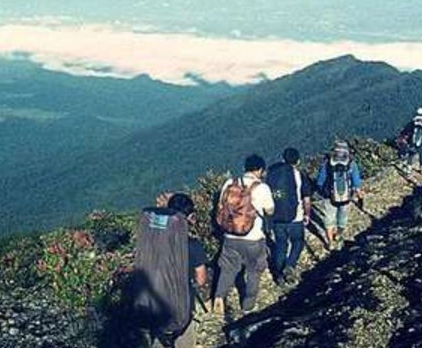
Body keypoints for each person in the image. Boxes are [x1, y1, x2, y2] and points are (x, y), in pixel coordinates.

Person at [132, 193, 208, 348]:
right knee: (184, 340)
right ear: (189, 218)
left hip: (152, 304)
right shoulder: (193, 246)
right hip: (180, 307)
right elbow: (201, 280)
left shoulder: (151, 242)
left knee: (158, 340)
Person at [213, 154, 275, 315]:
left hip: (230, 235)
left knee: (228, 269)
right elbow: (270, 210)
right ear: (260, 170)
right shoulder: (261, 188)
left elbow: (221, 206)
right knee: (254, 271)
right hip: (253, 238)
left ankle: (219, 296)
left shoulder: (229, 183)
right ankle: (248, 305)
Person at [266, 147, 313, 285]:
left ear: (283, 159)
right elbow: (306, 199)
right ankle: (290, 265)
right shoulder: (299, 175)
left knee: (281, 244)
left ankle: (279, 275)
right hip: (295, 217)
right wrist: (307, 214)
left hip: (276, 217)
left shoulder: (272, 173)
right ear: (297, 161)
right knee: (298, 242)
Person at [316, 140, 363, 251]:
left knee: (329, 220)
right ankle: (338, 234)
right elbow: (357, 184)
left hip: (329, 197)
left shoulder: (327, 164)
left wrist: (322, 191)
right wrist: (360, 198)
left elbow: (320, 181)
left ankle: (330, 242)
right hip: (346, 197)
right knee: (342, 218)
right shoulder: (351, 164)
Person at [400, 107, 422, 178]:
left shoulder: (412, 123)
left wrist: (403, 137)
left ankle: (409, 171)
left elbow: (405, 131)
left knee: (410, 157)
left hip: (412, 143)